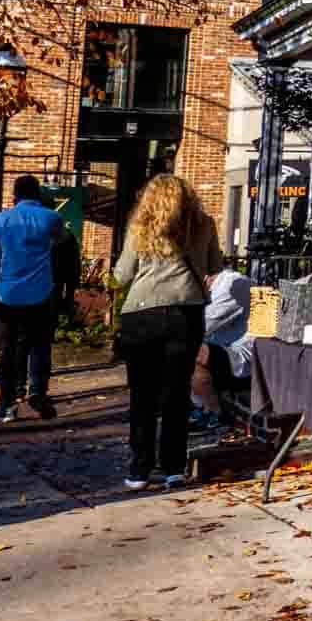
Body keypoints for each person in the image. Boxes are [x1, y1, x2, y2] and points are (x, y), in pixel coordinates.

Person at [112, 174, 223, 489]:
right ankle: (173, 467)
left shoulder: (140, 227)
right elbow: (215, 266)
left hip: (141, 312)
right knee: (176, 393)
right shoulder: (204, 224)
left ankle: (139, 470)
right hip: (185, 312)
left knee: (142, 395)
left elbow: (123, 275)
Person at [0, 175, 69, 422]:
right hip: (41, 292)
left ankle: (6, 402)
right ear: (38, 194)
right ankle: (38, 391)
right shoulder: (52, 218)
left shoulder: (1, 220)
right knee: (40, 345)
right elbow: (61, 240)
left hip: (6, 294)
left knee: (7, 350)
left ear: (14, 195)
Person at [189, 265, 252, 432]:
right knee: (179, 347)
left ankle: (215, 411)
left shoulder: (234, 285)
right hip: (221, 347)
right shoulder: (210, 287)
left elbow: (200, 326)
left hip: (239, 355)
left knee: (189, 348)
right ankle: (201, 406)